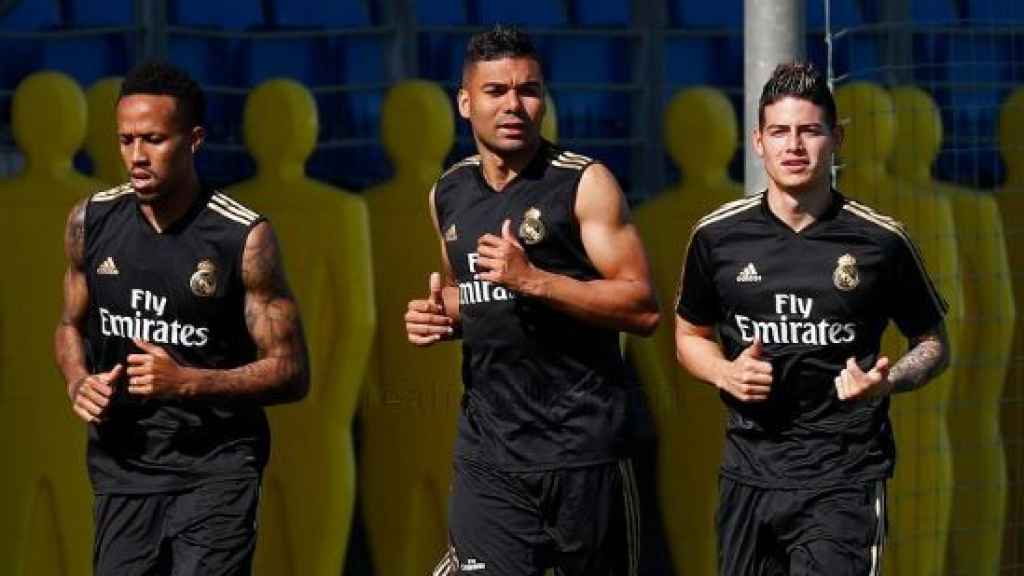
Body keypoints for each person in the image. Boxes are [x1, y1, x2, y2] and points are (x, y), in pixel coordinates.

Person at [674, 62, 950, 576]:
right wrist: (723, 371)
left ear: (836, 138)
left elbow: (933, 342)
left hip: (842, 479)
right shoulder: (716, 237)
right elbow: (689, 334)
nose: (794, 145)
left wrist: (889, 380)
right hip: (747, 476)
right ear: (758, 141)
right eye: (780, 131)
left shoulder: (881, 241)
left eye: (809, 130)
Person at [404, 25, 659, 576]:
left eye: (529, 90)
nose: (514, 105)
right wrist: (441, 315)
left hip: (584, 453)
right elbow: (473, 296)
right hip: (489, 453)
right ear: (465, 103)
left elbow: (641, 307)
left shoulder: (584, 184)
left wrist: (534, 279)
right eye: (497, 92)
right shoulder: (447, 192)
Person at [53, 61, 309, 575]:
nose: (136, 157)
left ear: (193, 140)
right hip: (123, 470)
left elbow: (291, 371)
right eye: (126, 141)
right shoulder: (90, 221)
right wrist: (78, 381)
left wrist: (188, 382)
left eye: (153, 139)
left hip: (216, 470)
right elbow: (67, 327)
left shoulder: (243, 237)